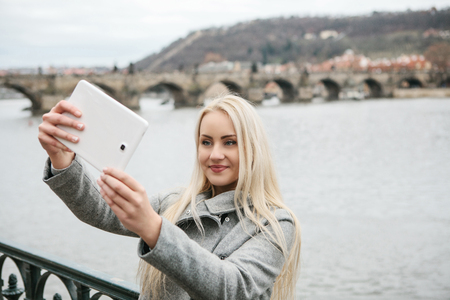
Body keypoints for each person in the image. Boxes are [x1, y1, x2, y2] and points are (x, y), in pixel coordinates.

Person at [38, 94, 302, 300]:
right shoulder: (178, 200)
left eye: (229, 142)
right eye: (206, 142)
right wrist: (62, 161)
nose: (215, 154)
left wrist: (154, 228)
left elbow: (231, 289)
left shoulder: (275, 223)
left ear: (253, 149)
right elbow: (103, 214)